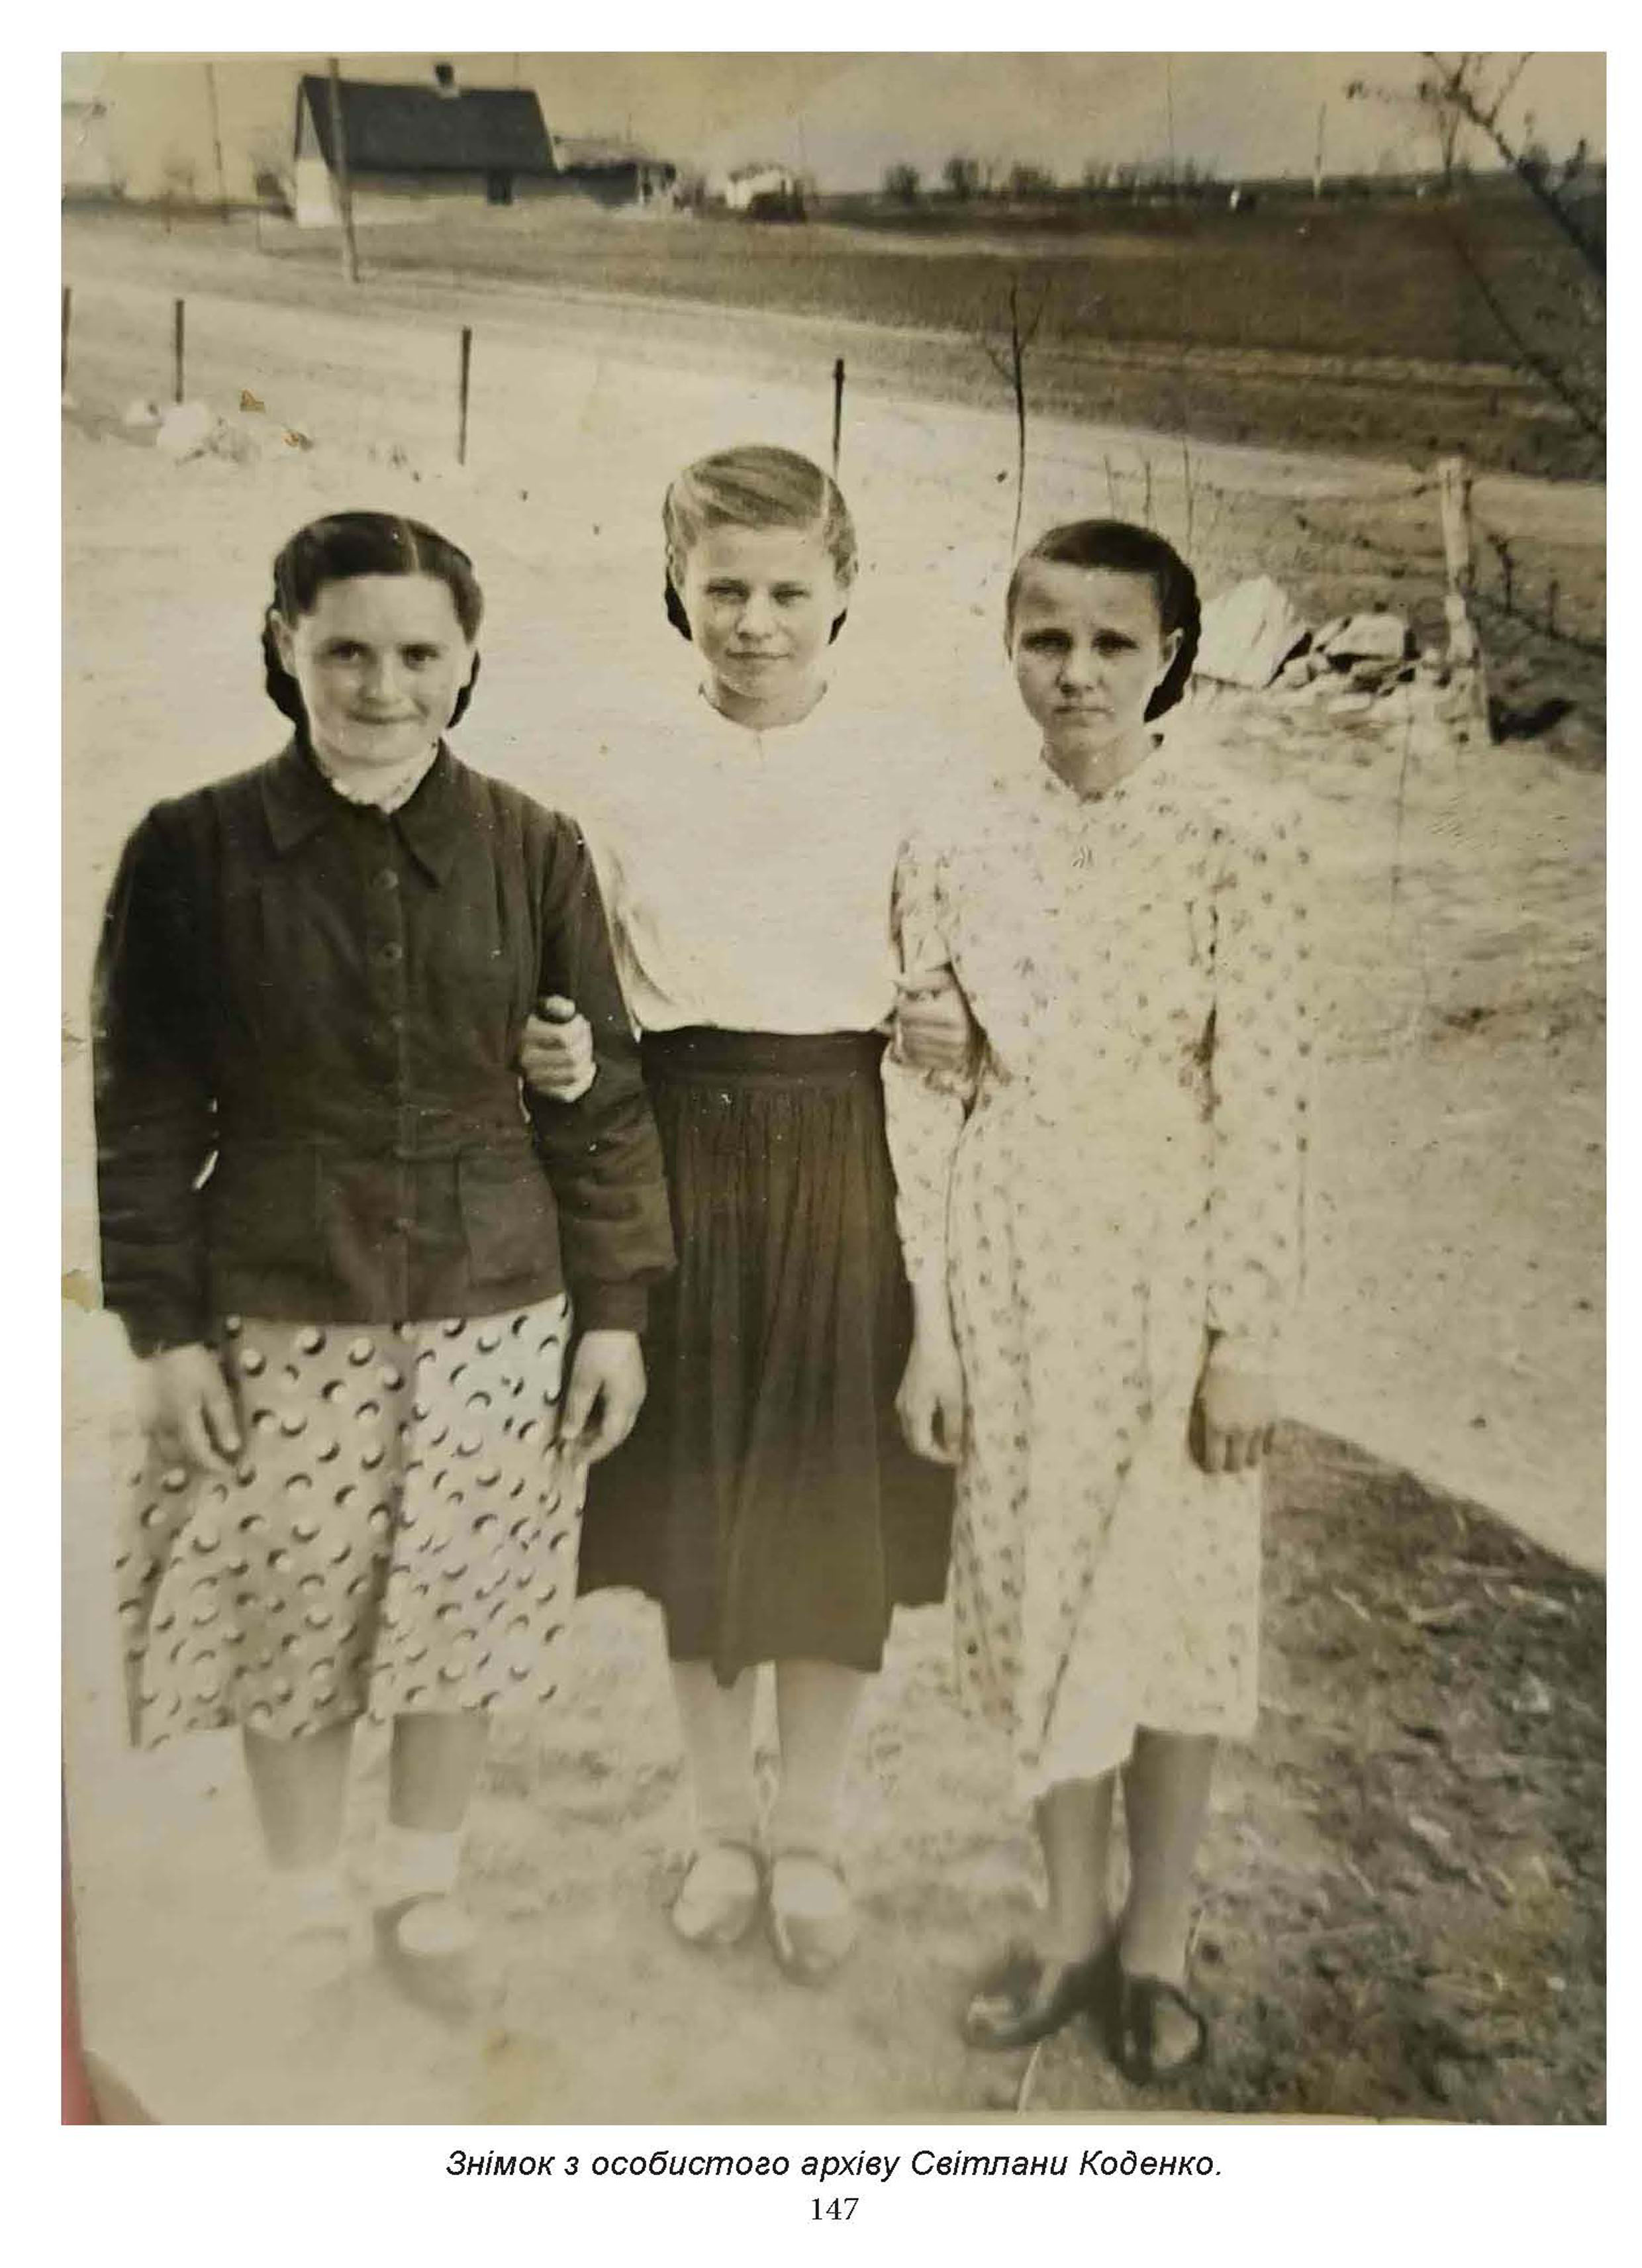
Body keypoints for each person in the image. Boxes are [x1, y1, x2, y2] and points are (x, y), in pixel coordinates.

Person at [93, 511, 673, 2007]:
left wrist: (614, 1313)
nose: (383, 686)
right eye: (345, 650)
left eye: (420, 654)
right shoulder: (189, 849)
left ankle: (422, 1882)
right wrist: (163, 1333)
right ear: (282, 646)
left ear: (468, 662)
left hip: (499, 1304)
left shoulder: (536, 847)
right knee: (290, 1602)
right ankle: (304, 1896)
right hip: (280, 1302)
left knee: (458, 1603)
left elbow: (600, 1092)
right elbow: (141, 1114)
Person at [519, 446, 967, 1981]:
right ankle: (721, 1827)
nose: (755, 623)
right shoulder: (617, 769)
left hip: (846, 1161)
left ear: (842, 593)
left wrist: (960, 1023)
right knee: (700, 1513)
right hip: (679, 1163)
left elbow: (954, 986)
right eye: (723, 590)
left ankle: (813, 1837)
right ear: (677, 589)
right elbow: (577, 1000)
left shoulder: (908, 773)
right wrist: (555, 1054)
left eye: (786, 590)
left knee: (829, 1518)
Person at [885, 520, 1311, 2079]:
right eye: (1045, 640)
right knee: (1036, 1597)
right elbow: (923, 1089)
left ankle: (1156, 1945)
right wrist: (932, 1328)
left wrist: (1244, 1336)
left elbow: (1267, 1098)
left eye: (1112, 643)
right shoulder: (952, 836)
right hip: (1007, 1265)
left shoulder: (1240, 837)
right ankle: (1067, 1931)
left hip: (1165, 1267)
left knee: (1173, 1610)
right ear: (1007, 647)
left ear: (1170, 657)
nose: (1075, 673)